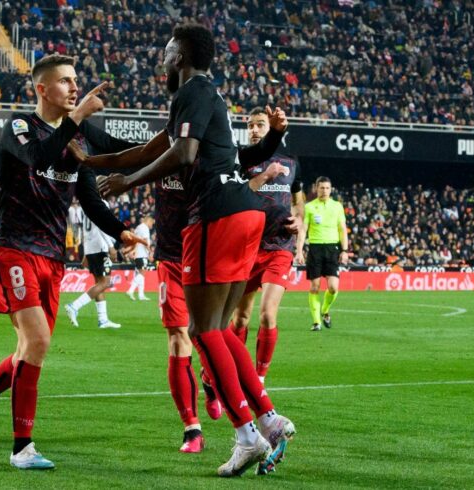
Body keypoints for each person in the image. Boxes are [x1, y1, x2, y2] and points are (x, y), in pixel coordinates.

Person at [98, 24, 295, 477]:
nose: (163, 57)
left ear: (180, 54)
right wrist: (95, 163)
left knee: (204, 332)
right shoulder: (215, 97)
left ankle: (247, 435)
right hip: (246, 213)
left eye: (167, 49)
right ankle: (268, 417)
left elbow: (184, 154)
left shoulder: (189, 93)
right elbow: (227, 157)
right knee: (222, 330)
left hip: (214, 216)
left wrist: (128, 182)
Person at [0, 54, 147, 470]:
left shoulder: (77, 139)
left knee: (29, 349)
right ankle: (22, 448)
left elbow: (94, 192)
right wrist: (78, 117)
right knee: (39, 341)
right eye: (65, 81)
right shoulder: (20, 127)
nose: (74, 87)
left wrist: (121, 232)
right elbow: (39, 159)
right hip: (13, 247)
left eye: (76, 81)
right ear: (41, 89)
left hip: (51, 256)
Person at [71, 103, 289, 453]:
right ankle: (192, 428)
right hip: (171, 258)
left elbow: (252, 160)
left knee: (210, 330)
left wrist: (276, 136)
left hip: (206, 247)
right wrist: (76, 121)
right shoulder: (166, 152)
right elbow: (116, 146)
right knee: (179, 338)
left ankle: (222, 392)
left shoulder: (213, 158)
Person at [227, 107, 306, 383]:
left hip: (279, 246)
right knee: (240, 318)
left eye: (260, 124)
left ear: (271, 127)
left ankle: (258, 380)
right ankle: (235, 372)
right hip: (247, 247)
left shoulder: (291, 161)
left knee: (268, 314)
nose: (254, 129)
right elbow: (234, 195)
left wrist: (298, 219)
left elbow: (299, 200)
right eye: (250, 125)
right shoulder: (241, 161)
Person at [64, 186, 122, 329]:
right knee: (105, 282)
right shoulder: (102, 204)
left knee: (98, 283)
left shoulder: (86, 205)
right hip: (101, 247)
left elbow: (86, 229)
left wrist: (85, 252)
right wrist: (110, 246)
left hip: (91, 247)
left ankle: (103, 320)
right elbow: (103, 227)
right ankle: (74, 306)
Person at [304, 176, 349, 331]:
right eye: (321, 187)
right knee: (315, 286)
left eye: (327, 188)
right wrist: (298, 251)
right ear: (316, 188)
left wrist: (345, 250)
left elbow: (342, 229)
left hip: (332, 249)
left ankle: (324, 311)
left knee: (333, 288)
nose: (324, 191)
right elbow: (303, 230)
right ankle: (316, 322)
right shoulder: (309, 207)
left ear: (331, 189)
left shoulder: (337, 206)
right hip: (315, 248)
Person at [125, 215, 152, 300]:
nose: (152, 226)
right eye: (152, 223)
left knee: (141, 274)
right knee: (142, 273)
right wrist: (150, 252)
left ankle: (141, 295)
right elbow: (145, 241)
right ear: (149, 221)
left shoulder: (138, 228)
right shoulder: (145, 228)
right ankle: (130, 290)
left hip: (137, 254)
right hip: (142, 254)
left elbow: (134, 241)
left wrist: (132, 251)